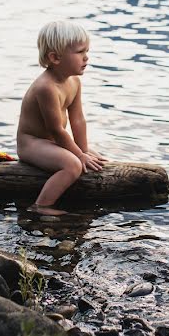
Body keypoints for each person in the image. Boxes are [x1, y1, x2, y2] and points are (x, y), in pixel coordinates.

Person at [16, 20, 108, 215]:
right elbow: (56, 130)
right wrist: (79, 157)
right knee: (73, 165)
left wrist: (83, 150)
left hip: (52, 141)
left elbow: (78, 120)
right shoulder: (46, 87)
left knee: (96, 157)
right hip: (32, 143)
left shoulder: (74, 81)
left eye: (87, 51)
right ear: (55, 57)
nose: (86, 57)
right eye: (80, 52)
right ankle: (41, 206)